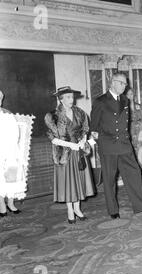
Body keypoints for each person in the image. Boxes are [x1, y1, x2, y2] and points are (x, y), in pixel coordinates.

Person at [90, 73, 142, 219]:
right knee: (109, 179)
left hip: (124, 144)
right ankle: (113, 210)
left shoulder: (125, 100)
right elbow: (93, 127)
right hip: (108, 145)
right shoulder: (100, 101)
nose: (124, 87)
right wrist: (102, 143)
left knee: (135, 173)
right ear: (112, 83)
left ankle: (140, 206)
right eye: (122, 83)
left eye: (125, 84)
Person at [44, 86, 96, 224]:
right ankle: (69, 210)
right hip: (64, 154)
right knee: (68, 182)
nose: (71, 99)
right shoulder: (52, 116)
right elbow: (53, 138)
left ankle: (77, 209)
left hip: (79, 152)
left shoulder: (80, 112)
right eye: (68, 97)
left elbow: (85, 130)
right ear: (60, 99)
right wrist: (70, 145)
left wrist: (82, 141)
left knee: (78, 180)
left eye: (72, 96)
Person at [0, 90, 22, 217]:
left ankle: (11, 203)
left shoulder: (7, 113)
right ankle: (1, 205)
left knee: (12, 177)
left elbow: (16, 133)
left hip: (11, 150)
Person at [126, 88, 142, 181]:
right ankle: (132, 173)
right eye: (127, 94)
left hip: (140, 130)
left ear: (134, 95)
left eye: (131, 94)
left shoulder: (140, 106)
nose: (129, 96)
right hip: (130, 130)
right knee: (131, 151)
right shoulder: (123, 108)